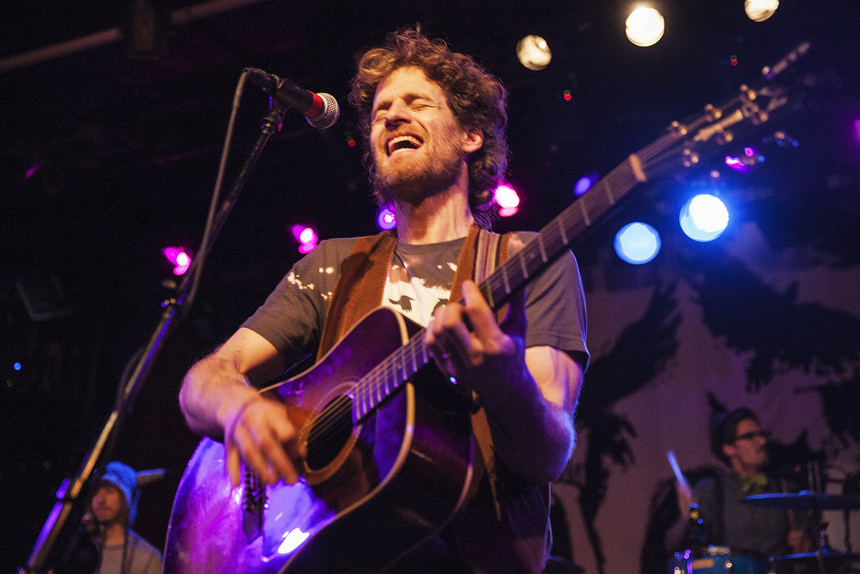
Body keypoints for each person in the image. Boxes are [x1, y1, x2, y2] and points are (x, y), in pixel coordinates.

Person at [179, 27, 589, 574]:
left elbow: (547, 455)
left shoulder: (527, 261)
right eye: (380, 112)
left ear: (471, 134)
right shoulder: (335, 266)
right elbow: (202, 383)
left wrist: (502, 376)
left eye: (416, 103)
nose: (391, 117)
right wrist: (240, 409)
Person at [664, 408, 809, 565]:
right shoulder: (711, 491)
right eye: (749, 436)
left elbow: (808, 554)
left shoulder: (786, 490)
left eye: (761, 434)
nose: (762, 441)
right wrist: (686, 520)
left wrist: (803, 547)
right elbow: (670, 545)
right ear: (728, 448)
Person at [86, 462, 162, 574]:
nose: (101, 500)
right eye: (96, 492)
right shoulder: (77, 547)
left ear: (127, 498)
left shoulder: (147, 556)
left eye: (109, 491)